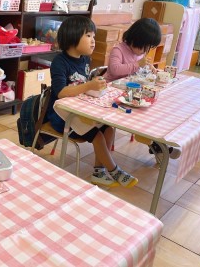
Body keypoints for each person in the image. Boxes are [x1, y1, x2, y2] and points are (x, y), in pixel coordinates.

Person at [47, 15, 138, 188]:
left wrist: (94, 83)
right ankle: (114, 170)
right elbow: (60, 92)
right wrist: (88, 85)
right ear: (73, 36)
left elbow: (82, 84)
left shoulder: (84, 60)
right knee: (96, 135)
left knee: (108, 129)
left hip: (81, 111)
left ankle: (99, 171)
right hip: (62, 116)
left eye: (93, 36)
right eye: (88, 36)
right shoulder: (60, 62)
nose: (93, 41)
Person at [105, 18, 181, 160]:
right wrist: (137, 64)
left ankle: (158, 144)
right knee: (144, 116)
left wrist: (151, 70)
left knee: (154, 110)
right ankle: (157, 146)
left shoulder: (139, 52)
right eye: (143, 46)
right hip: (114, 93)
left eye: (147, 48)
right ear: (134, 38)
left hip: (132, 94)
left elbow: (142, 68)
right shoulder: (118, 50)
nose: (144, 50)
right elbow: (115, 70)